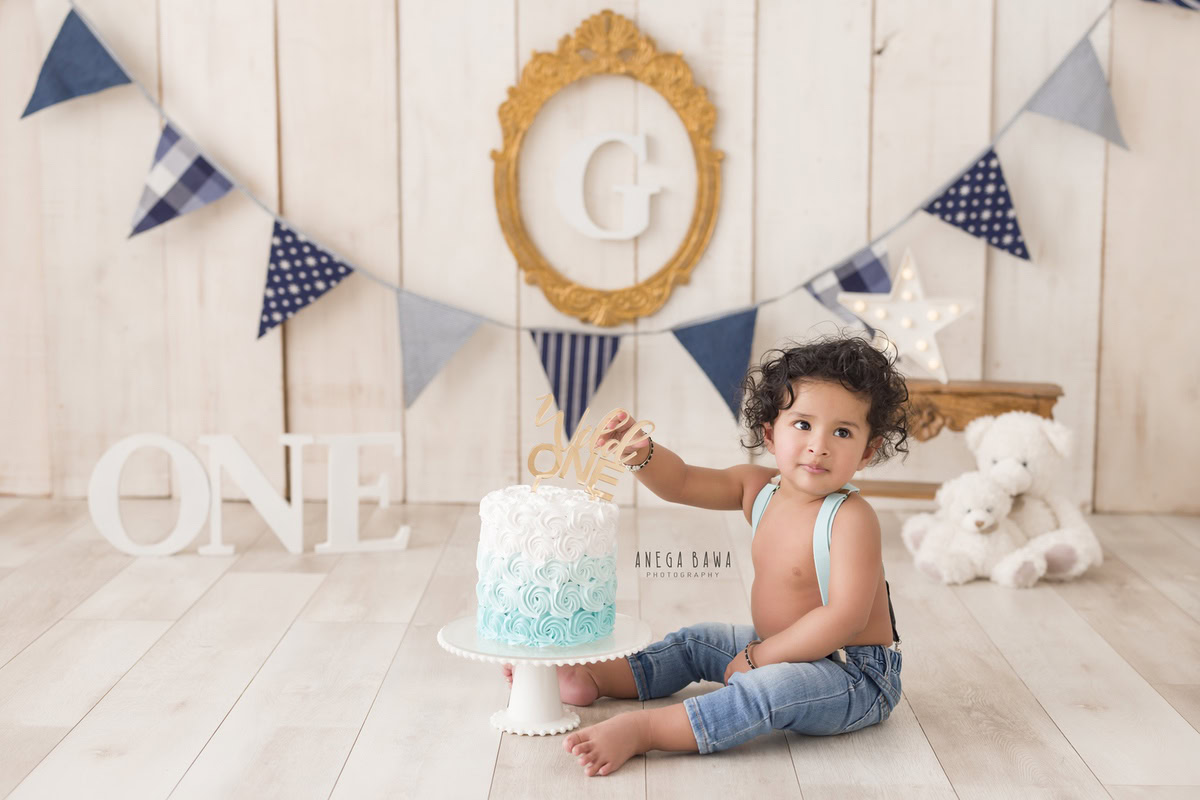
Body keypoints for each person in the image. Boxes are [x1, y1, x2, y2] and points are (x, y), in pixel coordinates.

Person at [502, 332, 909, 777]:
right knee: (697, 641)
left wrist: (759, 660)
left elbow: (843, 618)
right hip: (775, 647)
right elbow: (683, 483)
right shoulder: (760, 488)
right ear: (770, 433)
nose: (819, 445)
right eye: (803, 424)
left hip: (851, 674)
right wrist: (642, 455)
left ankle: (647, 731)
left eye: (843, 432)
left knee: (770, 690)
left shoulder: (851, 517)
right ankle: (597, 678)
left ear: (868, 451)